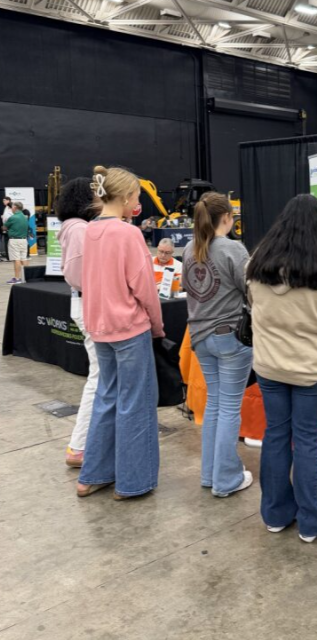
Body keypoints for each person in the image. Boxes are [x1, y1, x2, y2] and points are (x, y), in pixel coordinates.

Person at [248, 194, 317, 543]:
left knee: (276, 436)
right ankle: (312, 521)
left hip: (269, 368)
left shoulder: (256, 266)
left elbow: (253, 309)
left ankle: (275, 514)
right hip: (314, 371)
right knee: (307, 441)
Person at [76, 165, 164, 500]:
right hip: (129, 328)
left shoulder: (90, 232)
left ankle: (93, 475)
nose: (138, 201)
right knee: (136, 404)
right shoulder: (128, 234)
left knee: (107, 398)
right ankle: (132, 481)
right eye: (138, 195)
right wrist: (157, 326)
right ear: (127, 197)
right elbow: (144, 288)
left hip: (100, 328)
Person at [181, 192, 253, 498]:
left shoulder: (188, 249)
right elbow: (252, 289)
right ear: (227, 217)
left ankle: (210, 475)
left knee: (213, 405)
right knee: (228, 409)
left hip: (200, 337)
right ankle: (226, 478)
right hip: (230, 336)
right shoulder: (232, 249)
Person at [56, 178, 99, 468]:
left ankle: (82, 443)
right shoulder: (80, 230)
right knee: (99, 377)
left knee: (99, 375)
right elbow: (81, 274)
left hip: (83, 302)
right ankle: (79, 445)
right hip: (89, 303)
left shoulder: (72, 227)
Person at [4, 201, 30, 284]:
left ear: (15, 207)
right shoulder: (24, 217)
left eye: (12, 207)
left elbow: (4, 227)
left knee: (16, 259)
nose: (11, 208)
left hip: (15, 240)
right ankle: (26, 277)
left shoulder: (13, 217)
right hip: (24, 240)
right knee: (24, 258)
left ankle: (17, 278)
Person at [1, 196, 11, 261]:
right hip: (6, 227)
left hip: (9, 228)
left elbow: (9, 217)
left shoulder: (10, 207)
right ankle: (8, 257)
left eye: (4, 200)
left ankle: (10, 257)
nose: (3, 202)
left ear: (8, 200)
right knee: (6, 242)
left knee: (9, 243)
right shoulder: (6, 208)